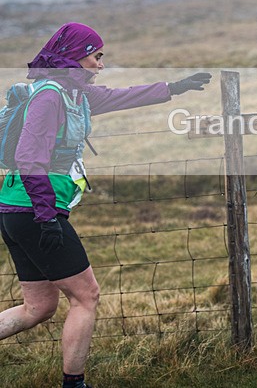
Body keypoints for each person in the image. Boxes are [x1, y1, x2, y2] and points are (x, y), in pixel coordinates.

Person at [0, 23, 212, 388]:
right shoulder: (50, 97)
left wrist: (173, 88)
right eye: (97, 56)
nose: (100, 64)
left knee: (39, 308)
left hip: (21, 210)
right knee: (87, 295)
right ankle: (74, 383)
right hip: (33, 211)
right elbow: (30, 158)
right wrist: (47, 217)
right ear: (76, 57)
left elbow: (123, 96)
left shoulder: (76, 95)